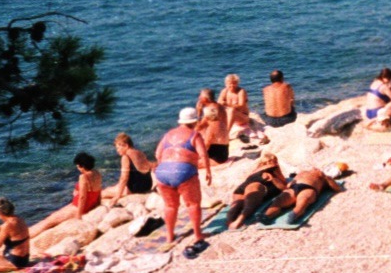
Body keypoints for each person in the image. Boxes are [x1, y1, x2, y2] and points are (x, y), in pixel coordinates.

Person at [154, 106, 213, 248]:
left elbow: (157, 154)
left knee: (170, 206)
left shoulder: (168, 134)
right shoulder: (195, 135)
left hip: (162, 172)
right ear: (194, 121)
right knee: (192, 204)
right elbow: (203, 154)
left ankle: (169, 236)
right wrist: (208, 172)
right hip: (183, 171)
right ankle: (198, 235)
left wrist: (166, 167)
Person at [29, 152, 104, 236]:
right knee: (53, 216)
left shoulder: (83, 177)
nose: (77, 168)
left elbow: (82, 197)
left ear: (82, 166)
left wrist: (78, 215)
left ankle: (26, 236)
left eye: (78, 166)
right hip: (90, 203)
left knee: (48, 222)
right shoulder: (97, 173)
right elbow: (99, 189)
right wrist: (98, 204)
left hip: (80, 207)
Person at [262, 166, 345, 222]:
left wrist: (325, 177)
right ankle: (266, 216)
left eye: (317, 168)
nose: (315, 168)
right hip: (293, 187)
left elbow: (337, 188)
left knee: (303, 200)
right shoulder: (302, 172)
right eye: (314, 168)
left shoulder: (323, 177)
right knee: (278, 201)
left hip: (308, 188)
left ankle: (294, 214)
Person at [226, 155, 288, 229]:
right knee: (248, 207)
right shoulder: (273, 167)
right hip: (256, 186)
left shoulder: (255, 170)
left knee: (235, 206)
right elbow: (282, 185)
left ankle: (229, 221)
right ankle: (238, 221)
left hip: (241, 188)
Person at [107, 133, 157, 203]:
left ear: (126, 145)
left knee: (104, 192)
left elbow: (124, 178)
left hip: (136, 188)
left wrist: (117, 196)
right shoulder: (140, 153)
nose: (117, 151)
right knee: (115, 187)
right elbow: (149, 166)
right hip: (148, 185)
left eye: (118, 148)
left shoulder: (125, 157)